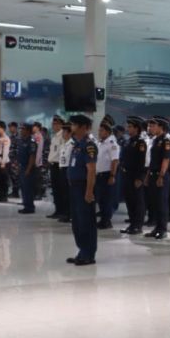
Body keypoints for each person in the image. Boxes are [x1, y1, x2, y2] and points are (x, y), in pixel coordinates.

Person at [65, 114, 98, 266]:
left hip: (84, 187)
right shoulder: (77, 145)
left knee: (86, 222)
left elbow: (91, 170)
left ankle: (88, 254)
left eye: (74, 125)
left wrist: (89, 192)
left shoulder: (89, 146)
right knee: (77, 222)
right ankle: (81, 251)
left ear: (83, 127)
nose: (71, 127)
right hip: (74, 188)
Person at [145, 117, 170, 240]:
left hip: (160, 176)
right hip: (153, 174)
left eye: (153, 126)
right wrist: (148, 176)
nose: (150, 128)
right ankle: (157, 228)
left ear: (161, 127)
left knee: (162, 204)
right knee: (155, 203)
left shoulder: (166, 141)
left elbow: (166, 160)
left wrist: (161, 176)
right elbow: (152, 161)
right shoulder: (155, 140)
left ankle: (163, 229)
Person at [120, 117, 148, 235]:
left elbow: (142, 162)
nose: (128, 128)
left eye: (130, 126)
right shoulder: (128, 141)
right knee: (129, 200)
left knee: (137, 201)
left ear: (136, 128)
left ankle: (138, 225)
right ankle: (132, 224)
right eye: (128, 126)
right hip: (126, 174)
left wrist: (140, 178)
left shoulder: (140, 143)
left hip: (135, 175)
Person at [95, 120, 120, 229]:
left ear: (107, 132)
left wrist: (112, 175)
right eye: (99, 130)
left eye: (101, 130)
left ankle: (107, 221)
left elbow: (115, 161)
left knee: (107, 199)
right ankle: (103, 219)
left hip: (107, 175)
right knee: (101, 199)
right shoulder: (101, 143)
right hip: (99, 175)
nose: (99, 132)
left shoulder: (112, 144)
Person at [46, 116, 68, 219]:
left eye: (55, 124)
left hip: (59, 166)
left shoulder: (63, 136)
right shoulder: (55, 136)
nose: (53, 126)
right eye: (53, 124)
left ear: (60, 125)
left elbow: (63, 152)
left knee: (61, 190)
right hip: (53, 165)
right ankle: (58, 210)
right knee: (55, 190)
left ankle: (62, 211)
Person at [18, 123, 39, 214]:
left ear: (28, 130)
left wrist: (28, 169)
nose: (21, 130)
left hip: (28, 168)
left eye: (23, 129)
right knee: (23, 188)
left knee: (28, 188)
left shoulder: (32, 141)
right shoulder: (22, 140)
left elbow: (32, 156)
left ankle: (30, 207)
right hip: (22, 167)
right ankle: (26, 205)